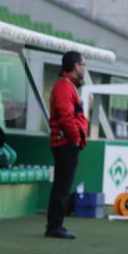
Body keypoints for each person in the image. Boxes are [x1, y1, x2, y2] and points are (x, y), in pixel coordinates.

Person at [46, 51, 88, 239]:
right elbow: (66, 117)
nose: (85, 68)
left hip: (66, 142)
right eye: (83, 64)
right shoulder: (64, 87)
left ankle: (55, 225)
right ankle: (54, 226)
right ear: (75, 66)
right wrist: (76, 139)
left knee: (62, 186)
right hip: (65, 143)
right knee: (61, 187)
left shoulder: (67, 86)